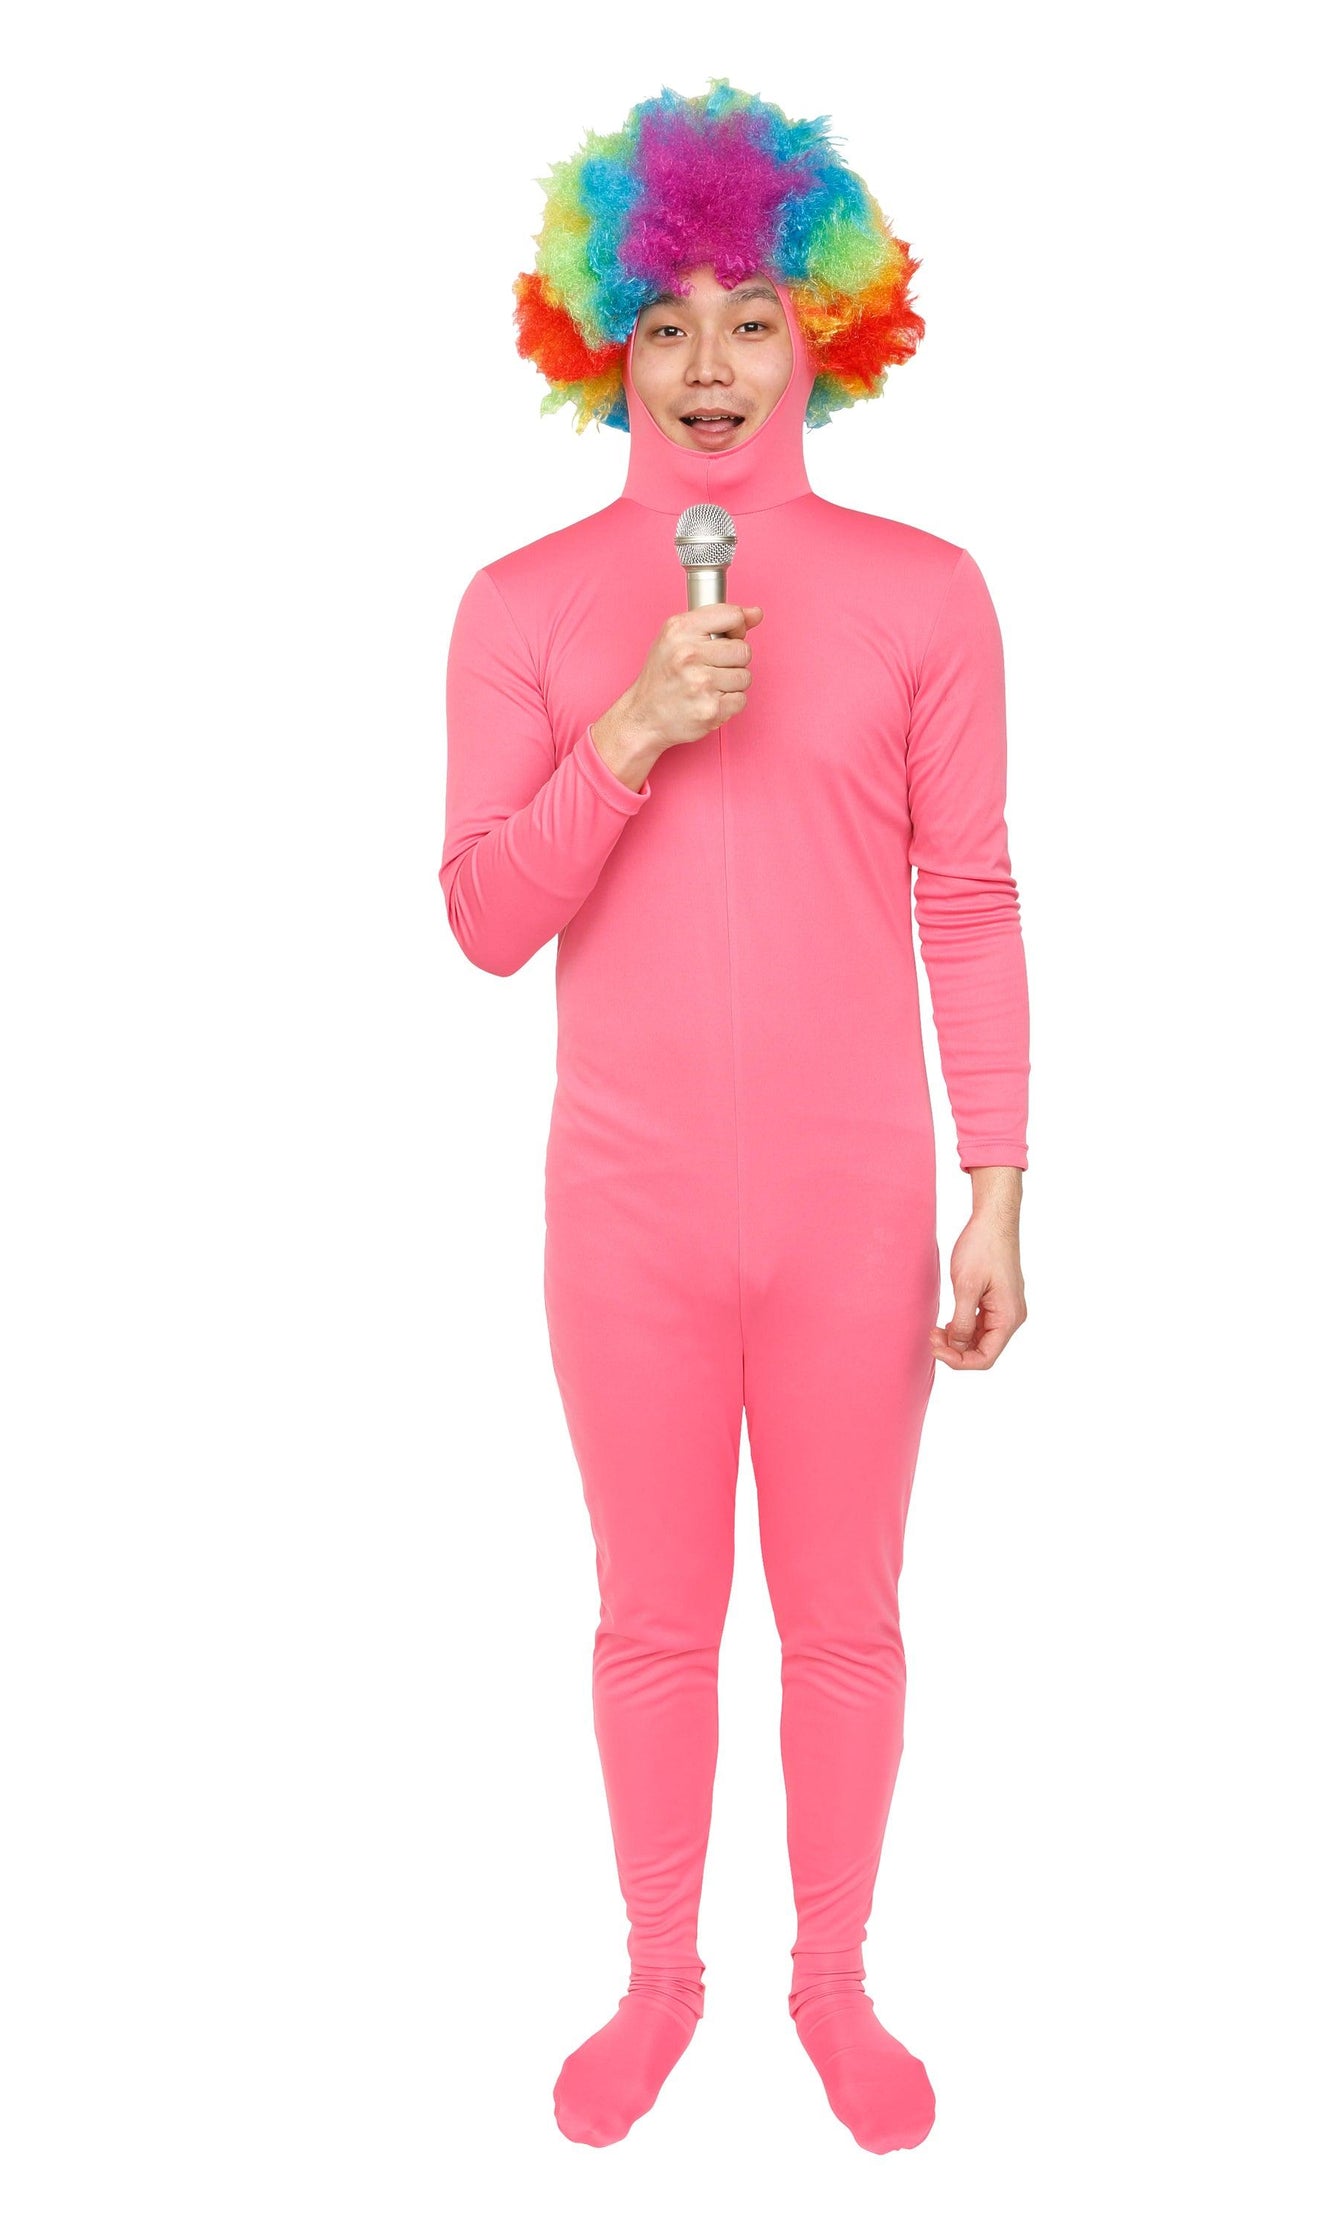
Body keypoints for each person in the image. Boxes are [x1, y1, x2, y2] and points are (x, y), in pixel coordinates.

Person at [439, 79, 1030, 2154]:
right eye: (666, 318)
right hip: (627, 1217)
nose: (708, 364)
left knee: (847, 1621)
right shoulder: (520, 605)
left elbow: (970, 894)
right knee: (652, 1618)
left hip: (856, 1209)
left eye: (754, 318)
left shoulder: (925, 593)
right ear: (596, 333)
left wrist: (995, 1190)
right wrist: (627, 732)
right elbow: (483, 922)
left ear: (824, 335)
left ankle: (834, 1987)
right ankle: (656, 1982)